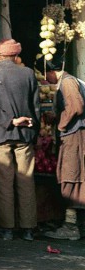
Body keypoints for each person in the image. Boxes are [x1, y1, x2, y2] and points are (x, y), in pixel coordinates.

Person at [0, 38, 40, 241]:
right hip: (25, 134)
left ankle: (7, 229)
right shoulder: (28, 73)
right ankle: (29, 229)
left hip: (1, 134)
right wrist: (31, 125)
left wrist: (11, 121)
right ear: (16, 56)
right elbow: (36, 105)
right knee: (26, 180)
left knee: (3, 182)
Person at [40, 56, 85, 240]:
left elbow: (76, 107)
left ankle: (71, 226)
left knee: (71, 175)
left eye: (45, 75)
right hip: (75, 134)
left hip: (75, 136)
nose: (45, 80)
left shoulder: (67, 82)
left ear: (51, 72)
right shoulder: (71, 81)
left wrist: (60, 125)